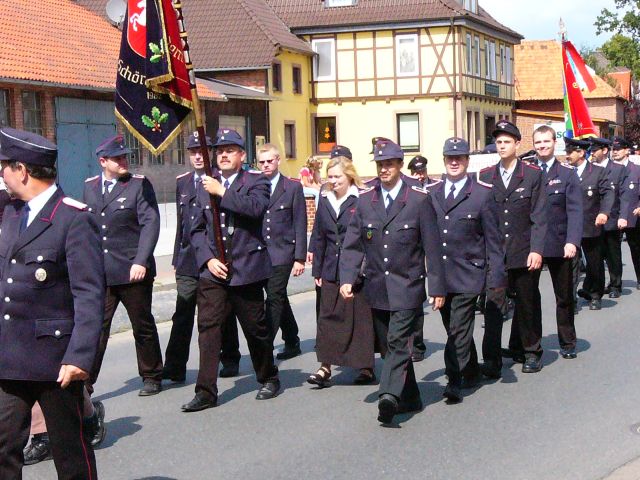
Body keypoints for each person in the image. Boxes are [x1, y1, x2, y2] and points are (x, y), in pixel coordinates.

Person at [0, 127, 104, 479]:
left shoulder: (73, 217)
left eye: (4, 167)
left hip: (55, 360)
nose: (1, 174)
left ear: (22, 171)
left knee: (70, 451)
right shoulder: (11, 213)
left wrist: (80, 356)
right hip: (10, 356)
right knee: (3, 447)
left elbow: (89, 294)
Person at [339, 138, 446, 425]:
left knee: (399, 342)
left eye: (389, 164)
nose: (384, 169)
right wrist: (347, 277)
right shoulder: (365, 201)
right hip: (377, 286)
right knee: (388, 346)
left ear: (400, 165)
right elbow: (353, 244)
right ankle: (411, 395)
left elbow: (432, 249)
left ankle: (389, 396)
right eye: (380, 164)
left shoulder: (419, 199)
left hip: (408, 285)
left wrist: (436, 287)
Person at [181, 128, 279, 412]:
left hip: (246, 269)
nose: (223, 155)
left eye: (230, 150)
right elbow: (196, 229)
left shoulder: (256, 181)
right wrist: (207, 259)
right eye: (220, 150)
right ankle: (206, 391)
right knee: (208, 330)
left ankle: (268, 376)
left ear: (242, 155)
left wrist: (222, 192)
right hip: (214, 271)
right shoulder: (204, 185)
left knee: (255, 329)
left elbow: (255, 209)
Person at [426, 137, 506, 402]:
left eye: (459, 158)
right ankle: (471, 370)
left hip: (470, 273)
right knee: (453, 327)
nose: (454, 162)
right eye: (450, 157)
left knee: (459, 328)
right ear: (444, 160)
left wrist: (496, 277)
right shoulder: (432, 193)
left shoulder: (482, 193)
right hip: (442, 275)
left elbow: (493, 240)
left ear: (467, 161)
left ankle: (454, 379)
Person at [83, 134, 163, 396]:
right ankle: (85, 382)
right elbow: (88, 228)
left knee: (142, 325)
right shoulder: (90, 187)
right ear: (103, 161)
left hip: (132, 270)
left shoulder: (138, 185)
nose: (123, 161)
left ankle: (151, 375)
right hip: (102, 272)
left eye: (125, 157)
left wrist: (141, 260)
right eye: (117, 158)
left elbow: (150, 223)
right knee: (96, 328)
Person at [479, 120, 546, 377]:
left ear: (518, 144)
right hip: (495, 254)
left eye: (507, 141)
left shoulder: (532, 175)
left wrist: (537, 249)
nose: (502, 146)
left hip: (523, 250)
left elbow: (539, 216)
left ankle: (531, 351)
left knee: (528, 304)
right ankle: (492, 359)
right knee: (493, 307)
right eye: (499, 142)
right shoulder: (486, 176)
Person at [307, 156, 375, 387]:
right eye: (330, 176)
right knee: (327, 317)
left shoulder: (361, 199)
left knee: (359, 318)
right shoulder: (325, 200)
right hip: (329, 267)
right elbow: (318, 235)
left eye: (337, 176)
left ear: (349, 176)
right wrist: (317, 268)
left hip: (357, 267)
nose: (333, 181)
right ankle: (325, 366)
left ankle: (365, 367)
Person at [522, 126, 582, 360]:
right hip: (532, 245)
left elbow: (575, 212)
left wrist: (572, 242)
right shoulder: (527, 171)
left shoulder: (567, 174)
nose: (542, 146)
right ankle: (530, 344)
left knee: (564, 296)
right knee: (528, 297)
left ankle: (567, 341)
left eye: (546, 142)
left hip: (559, 244)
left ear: (554, 143)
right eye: (538, 142)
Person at [162, 131, 214, 383]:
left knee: (216, 314)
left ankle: (229, 358)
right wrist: (175, 258)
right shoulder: (183, 182)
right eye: (192, 152)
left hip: (213, 258)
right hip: (187, 258)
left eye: (201, 151)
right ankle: (174, 367)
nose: (197, 157)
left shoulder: (217, 180)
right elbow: (182, 224)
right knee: (182, 312)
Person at [256, 143, 307, 360]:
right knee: (280, 296)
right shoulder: (254, 186)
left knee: (274, 296)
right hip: (260, 253)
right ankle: (292, 339)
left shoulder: (292, 187)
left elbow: (300, 223)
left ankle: (265, 345)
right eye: (262, 162)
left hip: (283, 252)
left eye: (270, 160)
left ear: (278, 160)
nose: (266, 165)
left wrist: (299, 258)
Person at [567, 138, 614, 310]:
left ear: (581, 153)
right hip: (570, 227)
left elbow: (608, 194)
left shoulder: (597, 172)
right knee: (570, 264)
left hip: (591, 223)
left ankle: (595, 294)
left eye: (570, 152)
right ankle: (570, 299)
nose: (567, 156)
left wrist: (604, 212)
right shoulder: (565, 172)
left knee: (594, 262)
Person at [590, 137, 627, 298]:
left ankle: (615, 285)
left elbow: (623, 195)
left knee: (613, 254)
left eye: (595, 150)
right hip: (593, 220)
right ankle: (597, 285)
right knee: (597, 255)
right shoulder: (589, 169)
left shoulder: (618, 169)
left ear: (604, 151)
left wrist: (622, 216)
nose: (592, 154)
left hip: (612, 218)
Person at [617, 137, 640, 290]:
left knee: (636, 247)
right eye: (613, 149)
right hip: (614, 216)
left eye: (618, 149)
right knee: (612, 252)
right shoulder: (609, 170)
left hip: (633, 215)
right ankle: (615, 283)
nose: (615, 152)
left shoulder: (636, 170)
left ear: (626, 150)